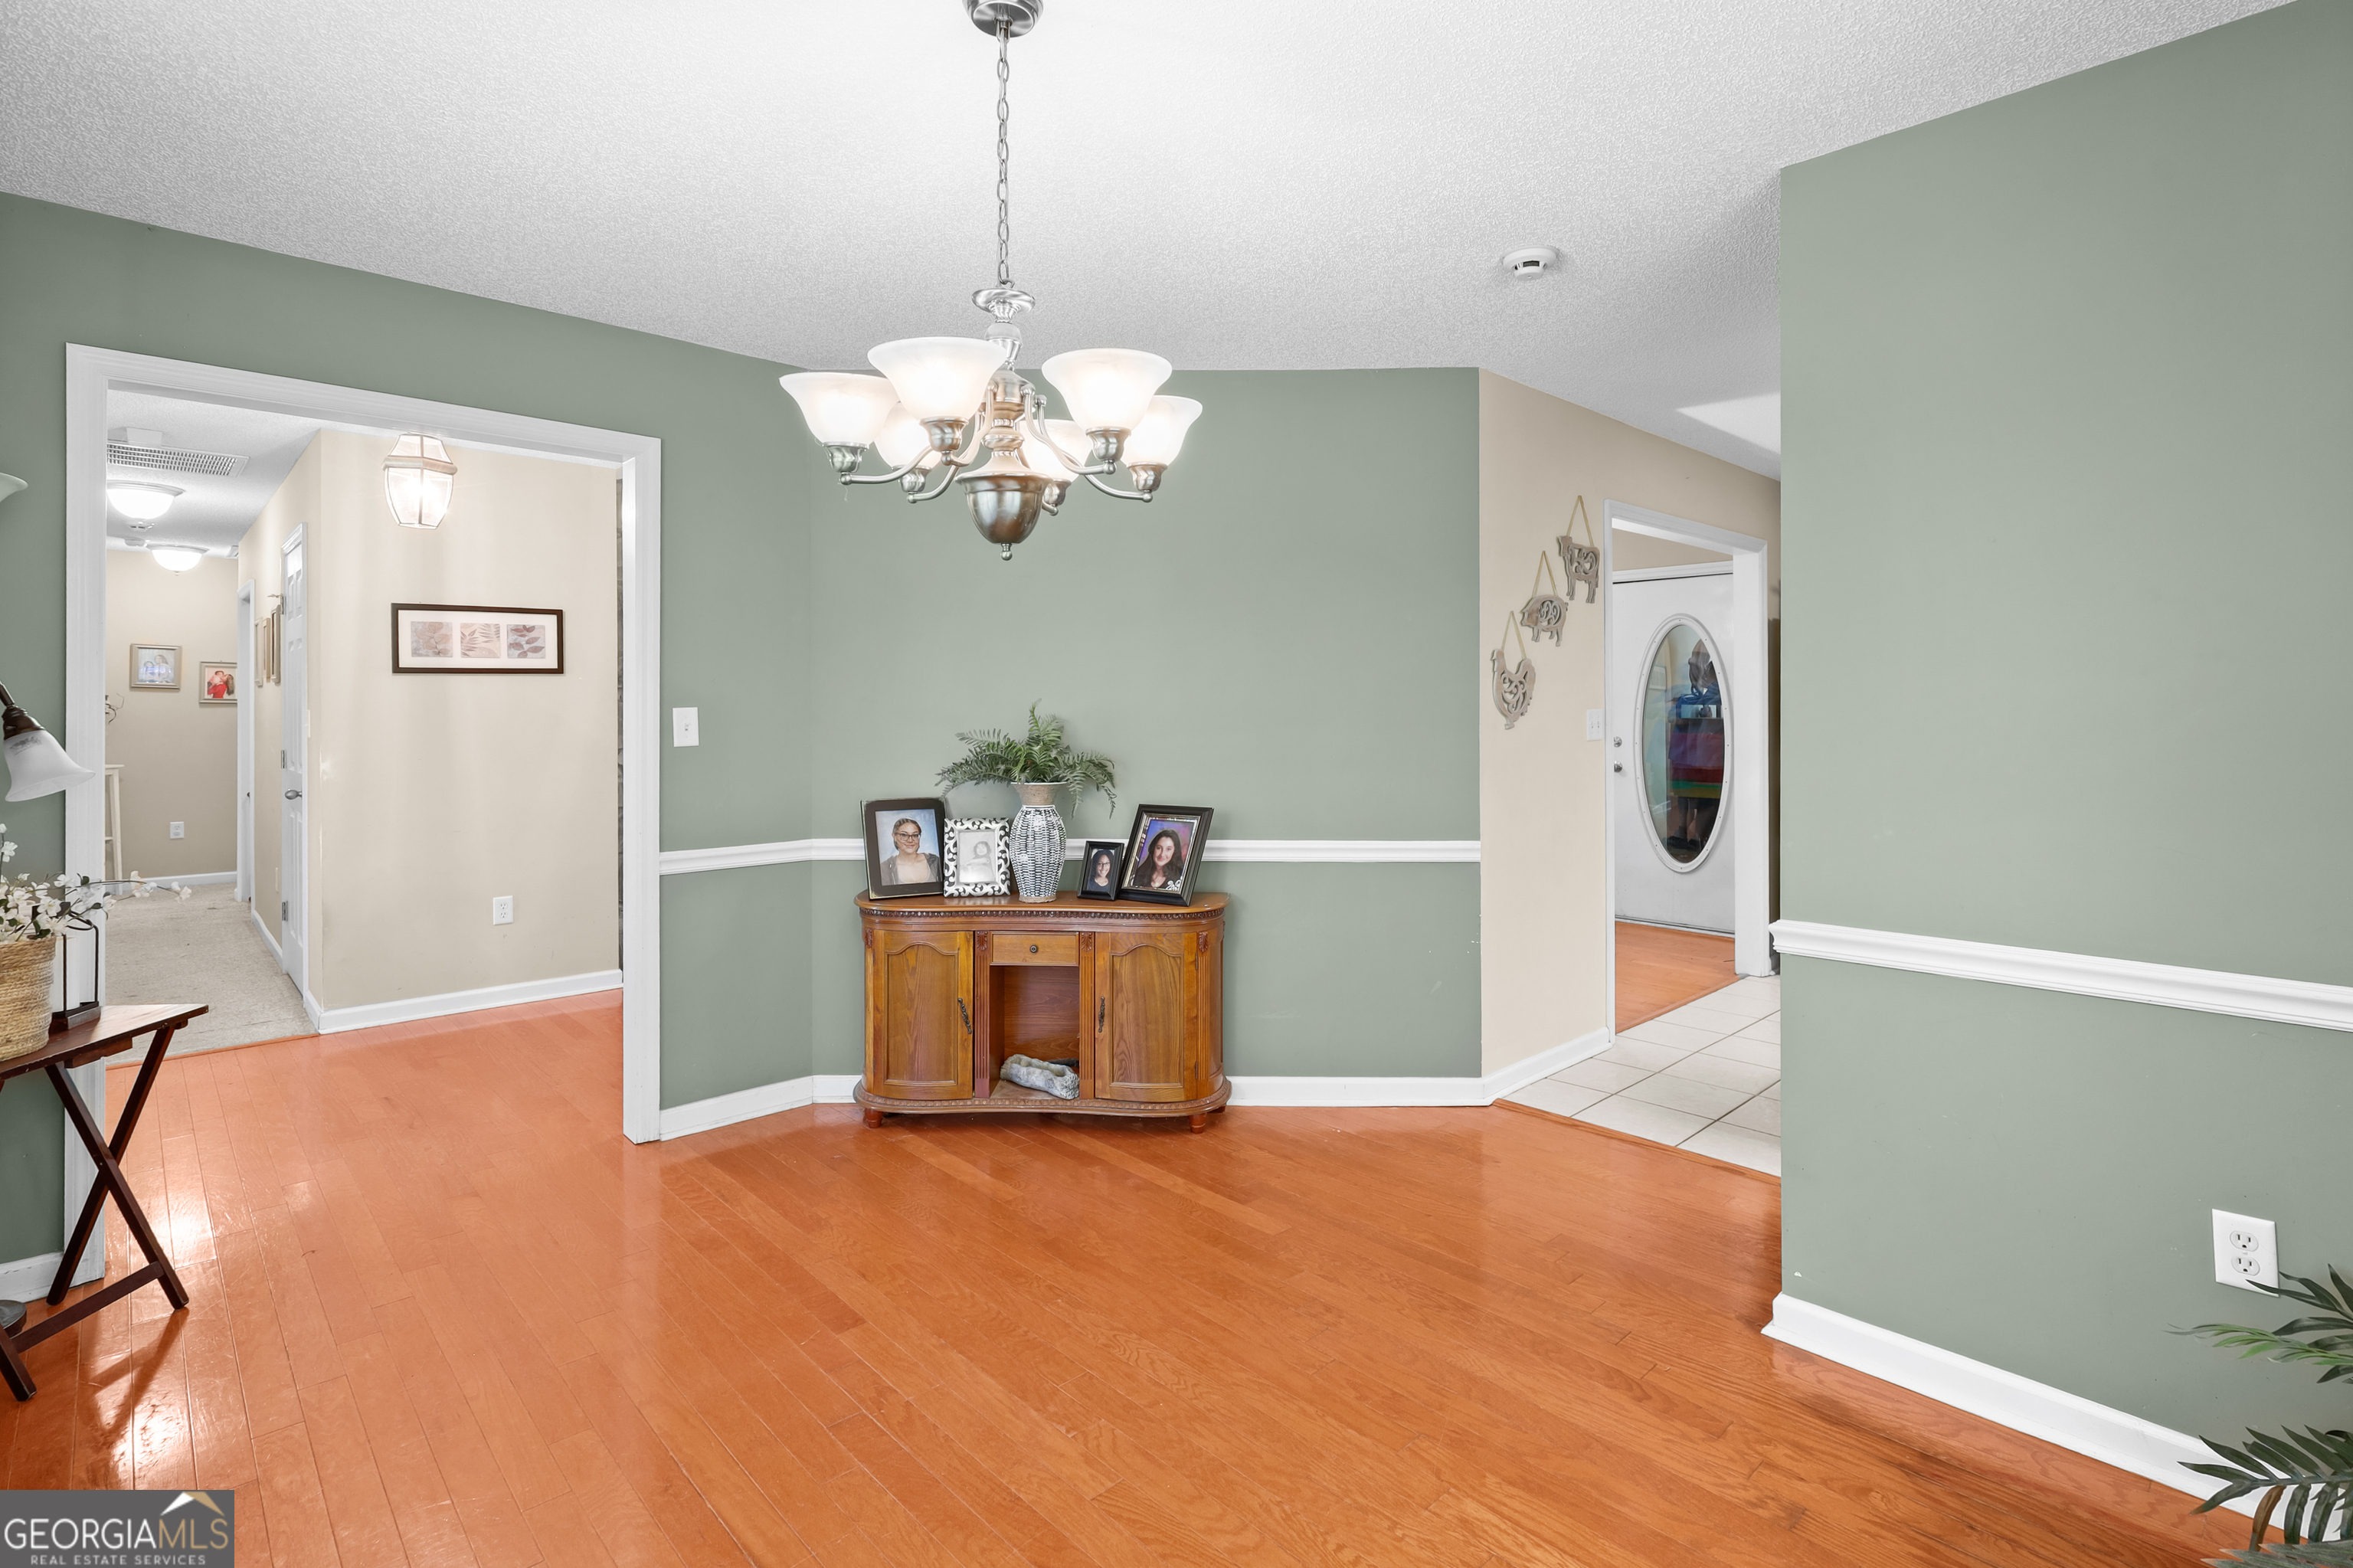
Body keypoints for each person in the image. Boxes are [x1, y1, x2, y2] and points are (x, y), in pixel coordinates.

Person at [879, 817, 939, 885]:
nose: (910, 840)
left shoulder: (936, 862)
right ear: (894, 837)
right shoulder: (885, 869)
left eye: (915, 835)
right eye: (904, 835)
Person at [1130, 827, 1185, 891]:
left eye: (1168, 849)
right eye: (1159, 848)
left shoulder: (1180, 878)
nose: (1162, 854)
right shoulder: (1138, 875)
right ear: (1153, 849)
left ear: (1175, 852)